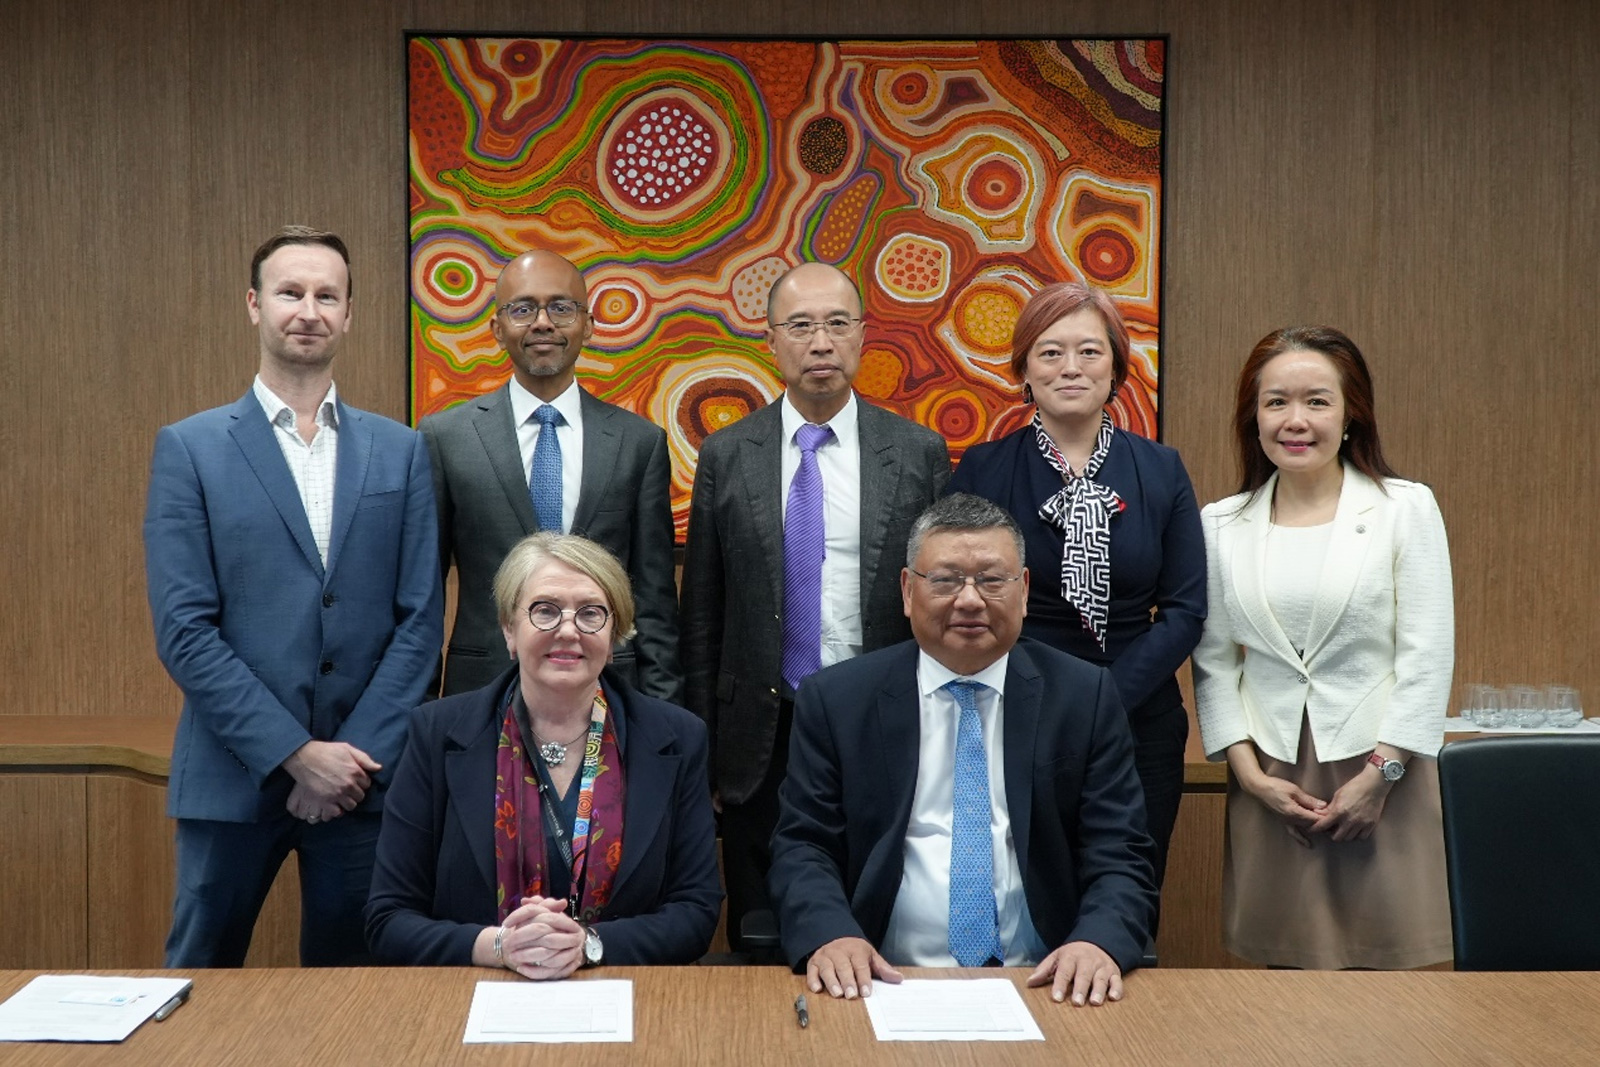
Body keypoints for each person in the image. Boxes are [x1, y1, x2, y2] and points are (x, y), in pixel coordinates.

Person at [143, 225, 443, 967]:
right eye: (290, 292)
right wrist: (294, 754)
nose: (307, 309)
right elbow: (184, 629)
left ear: (349, 314)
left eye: (326, 294)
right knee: (200, 984)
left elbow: (420, 619)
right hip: (232, 774)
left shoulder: (400, 450)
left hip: (362, 786)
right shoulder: (191, 448)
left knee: (357, 1004)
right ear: (254, 304)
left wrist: (349, 760)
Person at [770, 494, 1157, 1006]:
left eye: (992, 581)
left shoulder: (1084, 697)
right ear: (908, 591)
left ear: (1023, 592)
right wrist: (831, 934)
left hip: (1046, 980)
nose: (970, 600)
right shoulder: (838, 700)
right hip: (880, 979)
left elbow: (1121, 852)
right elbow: (804, 844)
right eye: (946, 580)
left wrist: (1096, 941)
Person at [679, 262, 951, 952]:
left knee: (880, 909)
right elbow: (703, 613)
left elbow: (941, 603)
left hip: (878, 717)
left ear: (862, 336)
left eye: (836, 323)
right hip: (759, 734)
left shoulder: (917, 452)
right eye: (801, 325)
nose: (821, 341)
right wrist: (707, 745)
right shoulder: (727, 453)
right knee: (762, 931)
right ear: (771, 342)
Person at [1192, 325, 1455, 969]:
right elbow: (1213, 662)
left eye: (1317, 400)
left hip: (1382, 771)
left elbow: (1427, 654)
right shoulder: (1221, 524)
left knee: (1394, 981)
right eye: (1276, 401)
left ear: (1351, 414)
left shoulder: (1403, 508)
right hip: (1273, 778)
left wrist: (1381, 775)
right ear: (1253, 417)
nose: (1296, 420)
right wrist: (1251, 779)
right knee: (1280, 987)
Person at [947, 282, 1204, 901]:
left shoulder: (1161, 468)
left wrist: (1104, 699)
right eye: (1050, 351)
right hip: (1019, 707)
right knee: (1029, 895)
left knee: (1127, 895)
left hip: (1138, 716)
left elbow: (1184, 610)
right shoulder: (983, 469)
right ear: (1024, 369)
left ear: (1116, 364)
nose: (1070, 368)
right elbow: (969, 599)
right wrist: (1056, 699)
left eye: (1089, 351)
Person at [365, 533, 721, 975]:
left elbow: (696, 911)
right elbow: (388, 919)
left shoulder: (675, 738)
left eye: (590, 613)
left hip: (621, 995)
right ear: (509, 630)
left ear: (613, 639)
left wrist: (588, 945)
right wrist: (500, 946)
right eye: (545, 610)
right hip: (470, 998)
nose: (568, 630)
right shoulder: (437, 735)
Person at [420, 250, 681, 702]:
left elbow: (654, 600)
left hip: (609, 689)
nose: (543, 322)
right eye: (522, 309)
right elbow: (424, 595)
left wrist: (663, 716)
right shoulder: (445, 438)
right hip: (482, 688)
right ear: (497, 329)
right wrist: (420, 712)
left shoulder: (638, 443)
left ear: (588, 324)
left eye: (561, 307)